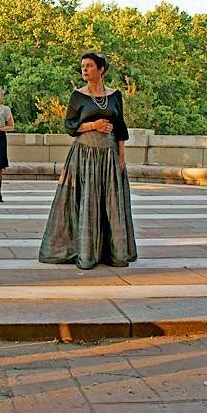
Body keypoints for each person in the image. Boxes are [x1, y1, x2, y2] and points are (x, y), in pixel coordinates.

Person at [39, 52, 137, 270]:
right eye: (83, 66)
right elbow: (69, 126)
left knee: (110, 202)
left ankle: (112, 251)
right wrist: (94, 125)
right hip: (84, 155)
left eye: (90, 66)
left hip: (109, 155)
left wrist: (121, 157)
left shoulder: (114, 95)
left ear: (101, 69)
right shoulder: (78, 96)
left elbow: (121, 127)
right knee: (86, 201)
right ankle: (84, 251)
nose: (84, 69)